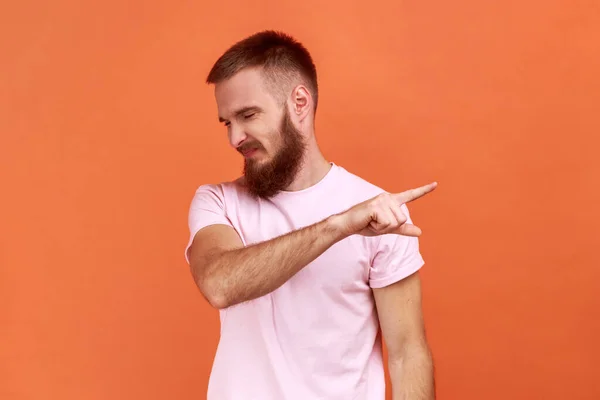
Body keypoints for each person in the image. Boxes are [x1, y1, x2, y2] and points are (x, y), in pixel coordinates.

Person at [184, 30, 437, 400]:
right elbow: (220, 284)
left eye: (248, 115)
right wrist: (339, 225)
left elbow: (407, 354)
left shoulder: (380, 212)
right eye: (226, 122)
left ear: (299, 102)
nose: (235, 137)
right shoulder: (218, 202)